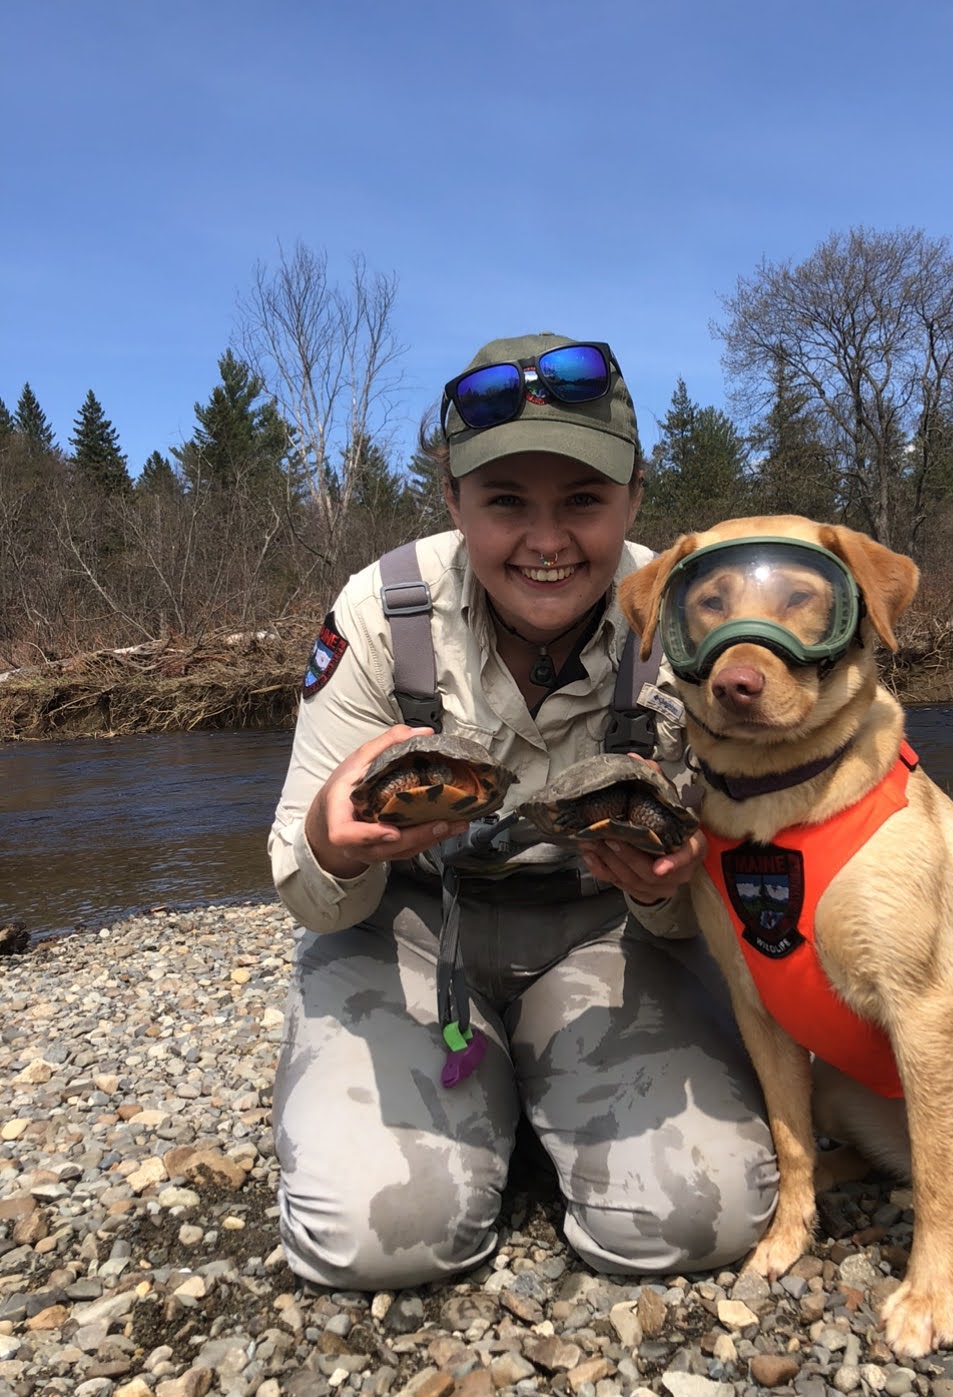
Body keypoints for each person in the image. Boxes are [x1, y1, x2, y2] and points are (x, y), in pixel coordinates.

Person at [268, 333, 776, 1289]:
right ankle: (475, 1104)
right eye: (506, 503)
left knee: (701, 1219)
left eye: (583, 502)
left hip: (608, 938)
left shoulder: (684, 622)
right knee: (382, 1241)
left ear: (633, 496)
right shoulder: (381, 615)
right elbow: (306, 893)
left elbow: (710, 899)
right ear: (454, 501)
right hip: (406, 932)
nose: (547, 542)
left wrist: (674, 888)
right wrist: (334, 850)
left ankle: (528, 1107)